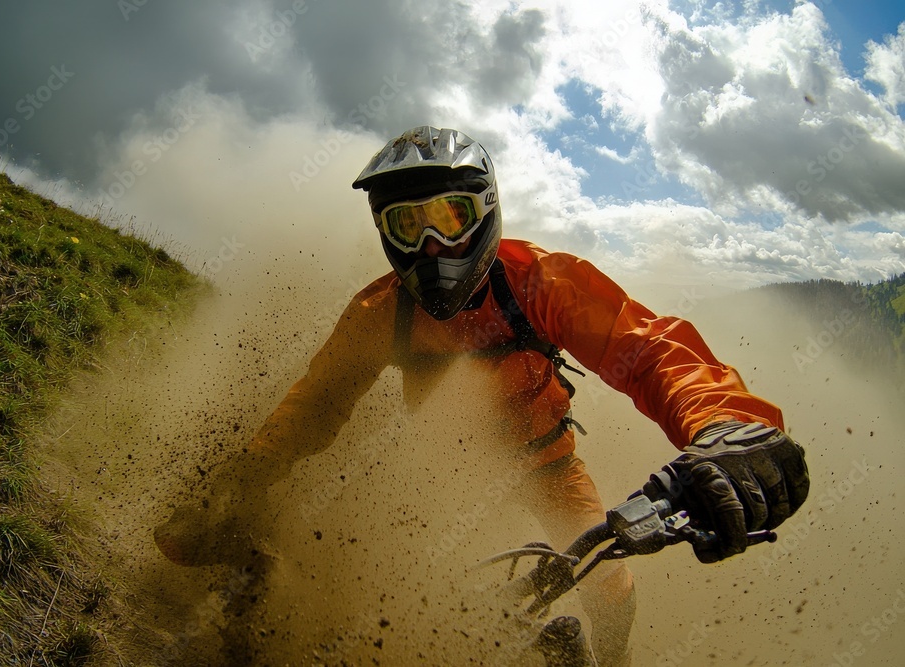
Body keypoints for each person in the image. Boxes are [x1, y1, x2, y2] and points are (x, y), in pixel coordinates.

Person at [155, 126, 810, 666]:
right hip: (446, 479)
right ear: (384, 231)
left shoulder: (543, 283)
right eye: (407, 226)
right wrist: (250, 473)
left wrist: (727, 424)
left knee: (611, 585)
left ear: (487, 210)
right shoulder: (378, 312)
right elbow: (315, 406)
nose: (432, 245)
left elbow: (652, 352)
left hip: (550, 466)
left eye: (450, 217)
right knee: (414, 605)